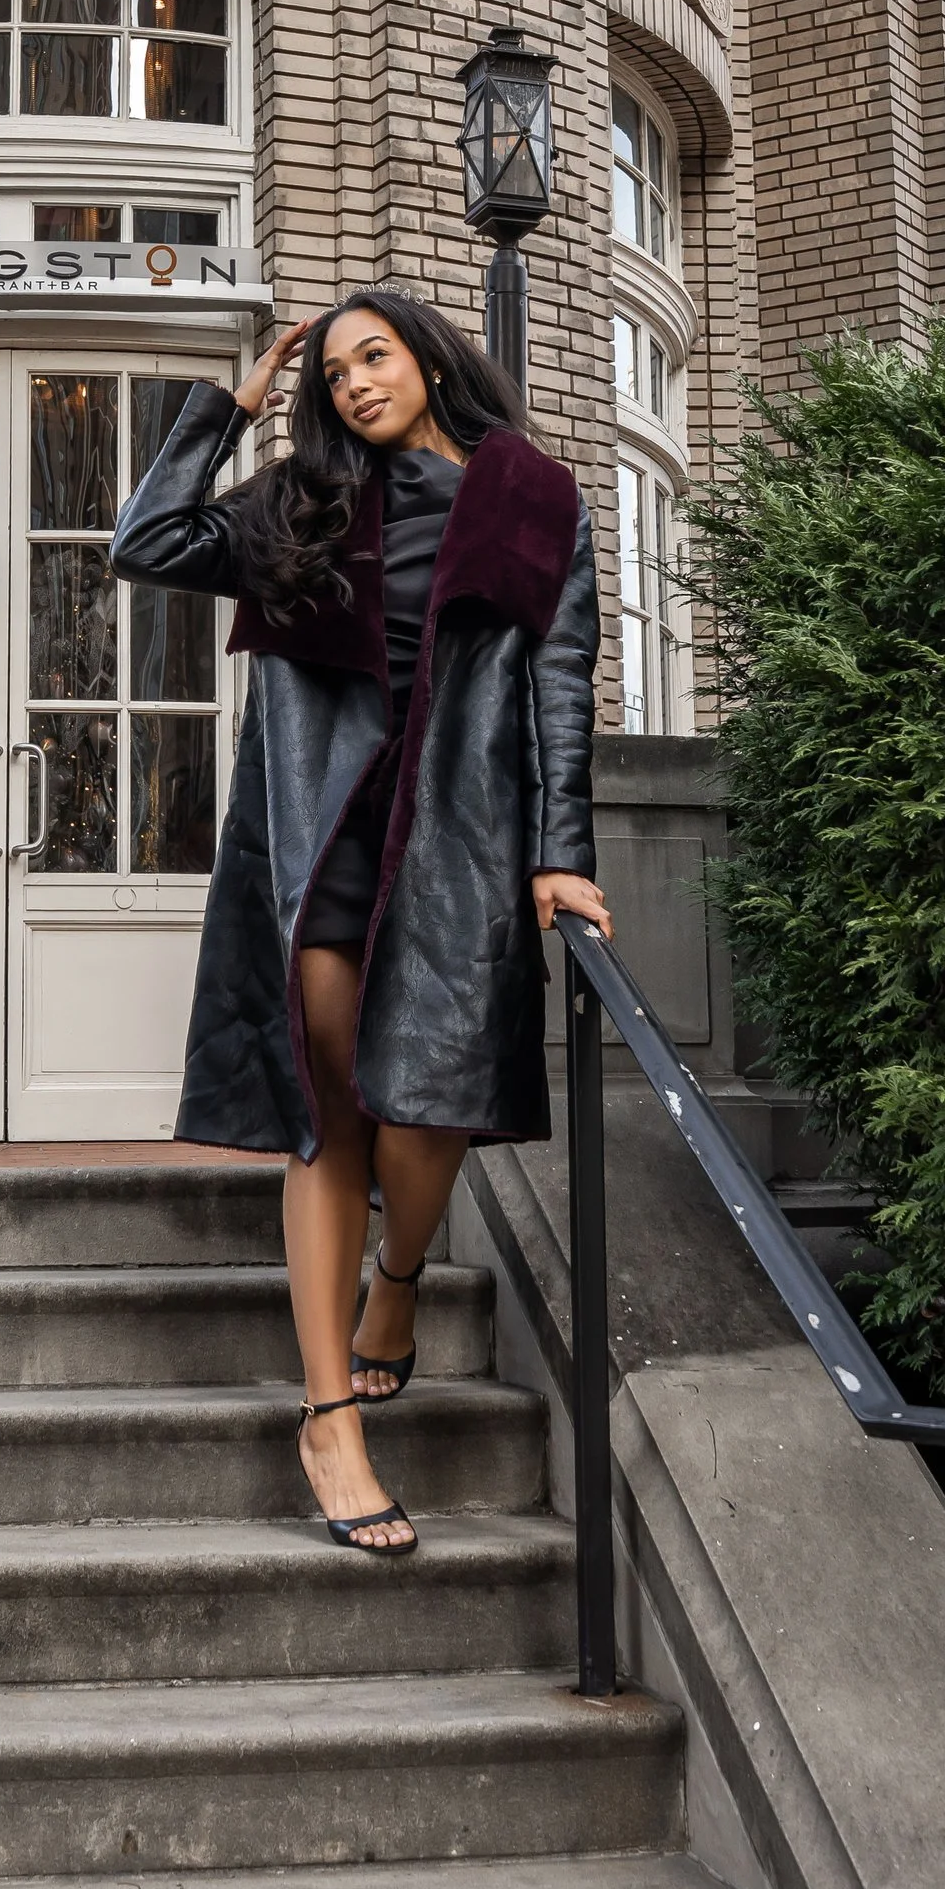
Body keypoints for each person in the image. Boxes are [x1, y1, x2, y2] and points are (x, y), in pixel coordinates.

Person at [110, 290, 610, 1556]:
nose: (352, 386)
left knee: (431, 1105)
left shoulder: (536, 500)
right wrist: (230, 406)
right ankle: (330, 1417)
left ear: (430, 358)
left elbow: (560, 688)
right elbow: (146, 540)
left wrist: (562, 858)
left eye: (371, 356)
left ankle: (398, 1285)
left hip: (458, 842)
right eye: (331, 374)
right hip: (327, 831)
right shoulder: (302, 503)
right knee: (331, 1113)